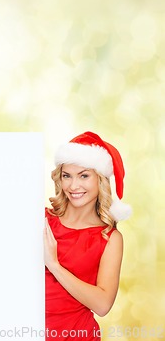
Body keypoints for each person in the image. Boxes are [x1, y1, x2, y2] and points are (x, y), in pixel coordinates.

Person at [44, 131, 131, 341]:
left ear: (100, 179)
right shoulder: (42, 220)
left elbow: (102, 305)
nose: (73, 186)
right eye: (67, 175)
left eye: (84, 175)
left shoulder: (109, 238)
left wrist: (54, 265)